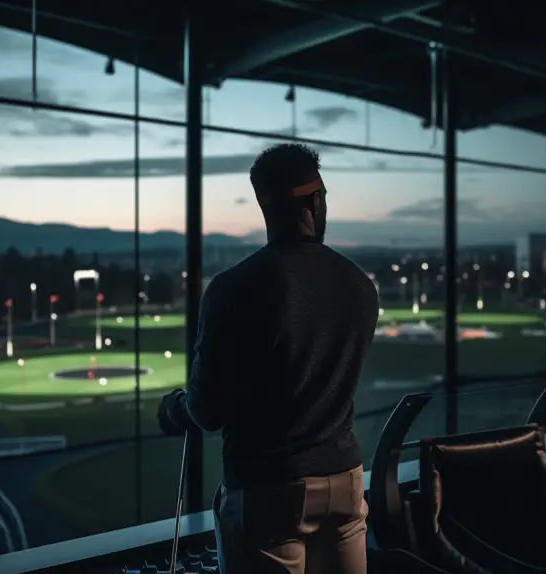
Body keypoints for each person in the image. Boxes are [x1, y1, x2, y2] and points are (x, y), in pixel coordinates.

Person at [157, 143, 380, 574]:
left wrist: (175, 409)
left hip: (266, 491)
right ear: (315, 201)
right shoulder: (359, 285)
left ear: (264, 206)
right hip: (345, 481)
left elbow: (207, 410)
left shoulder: (233, 288)